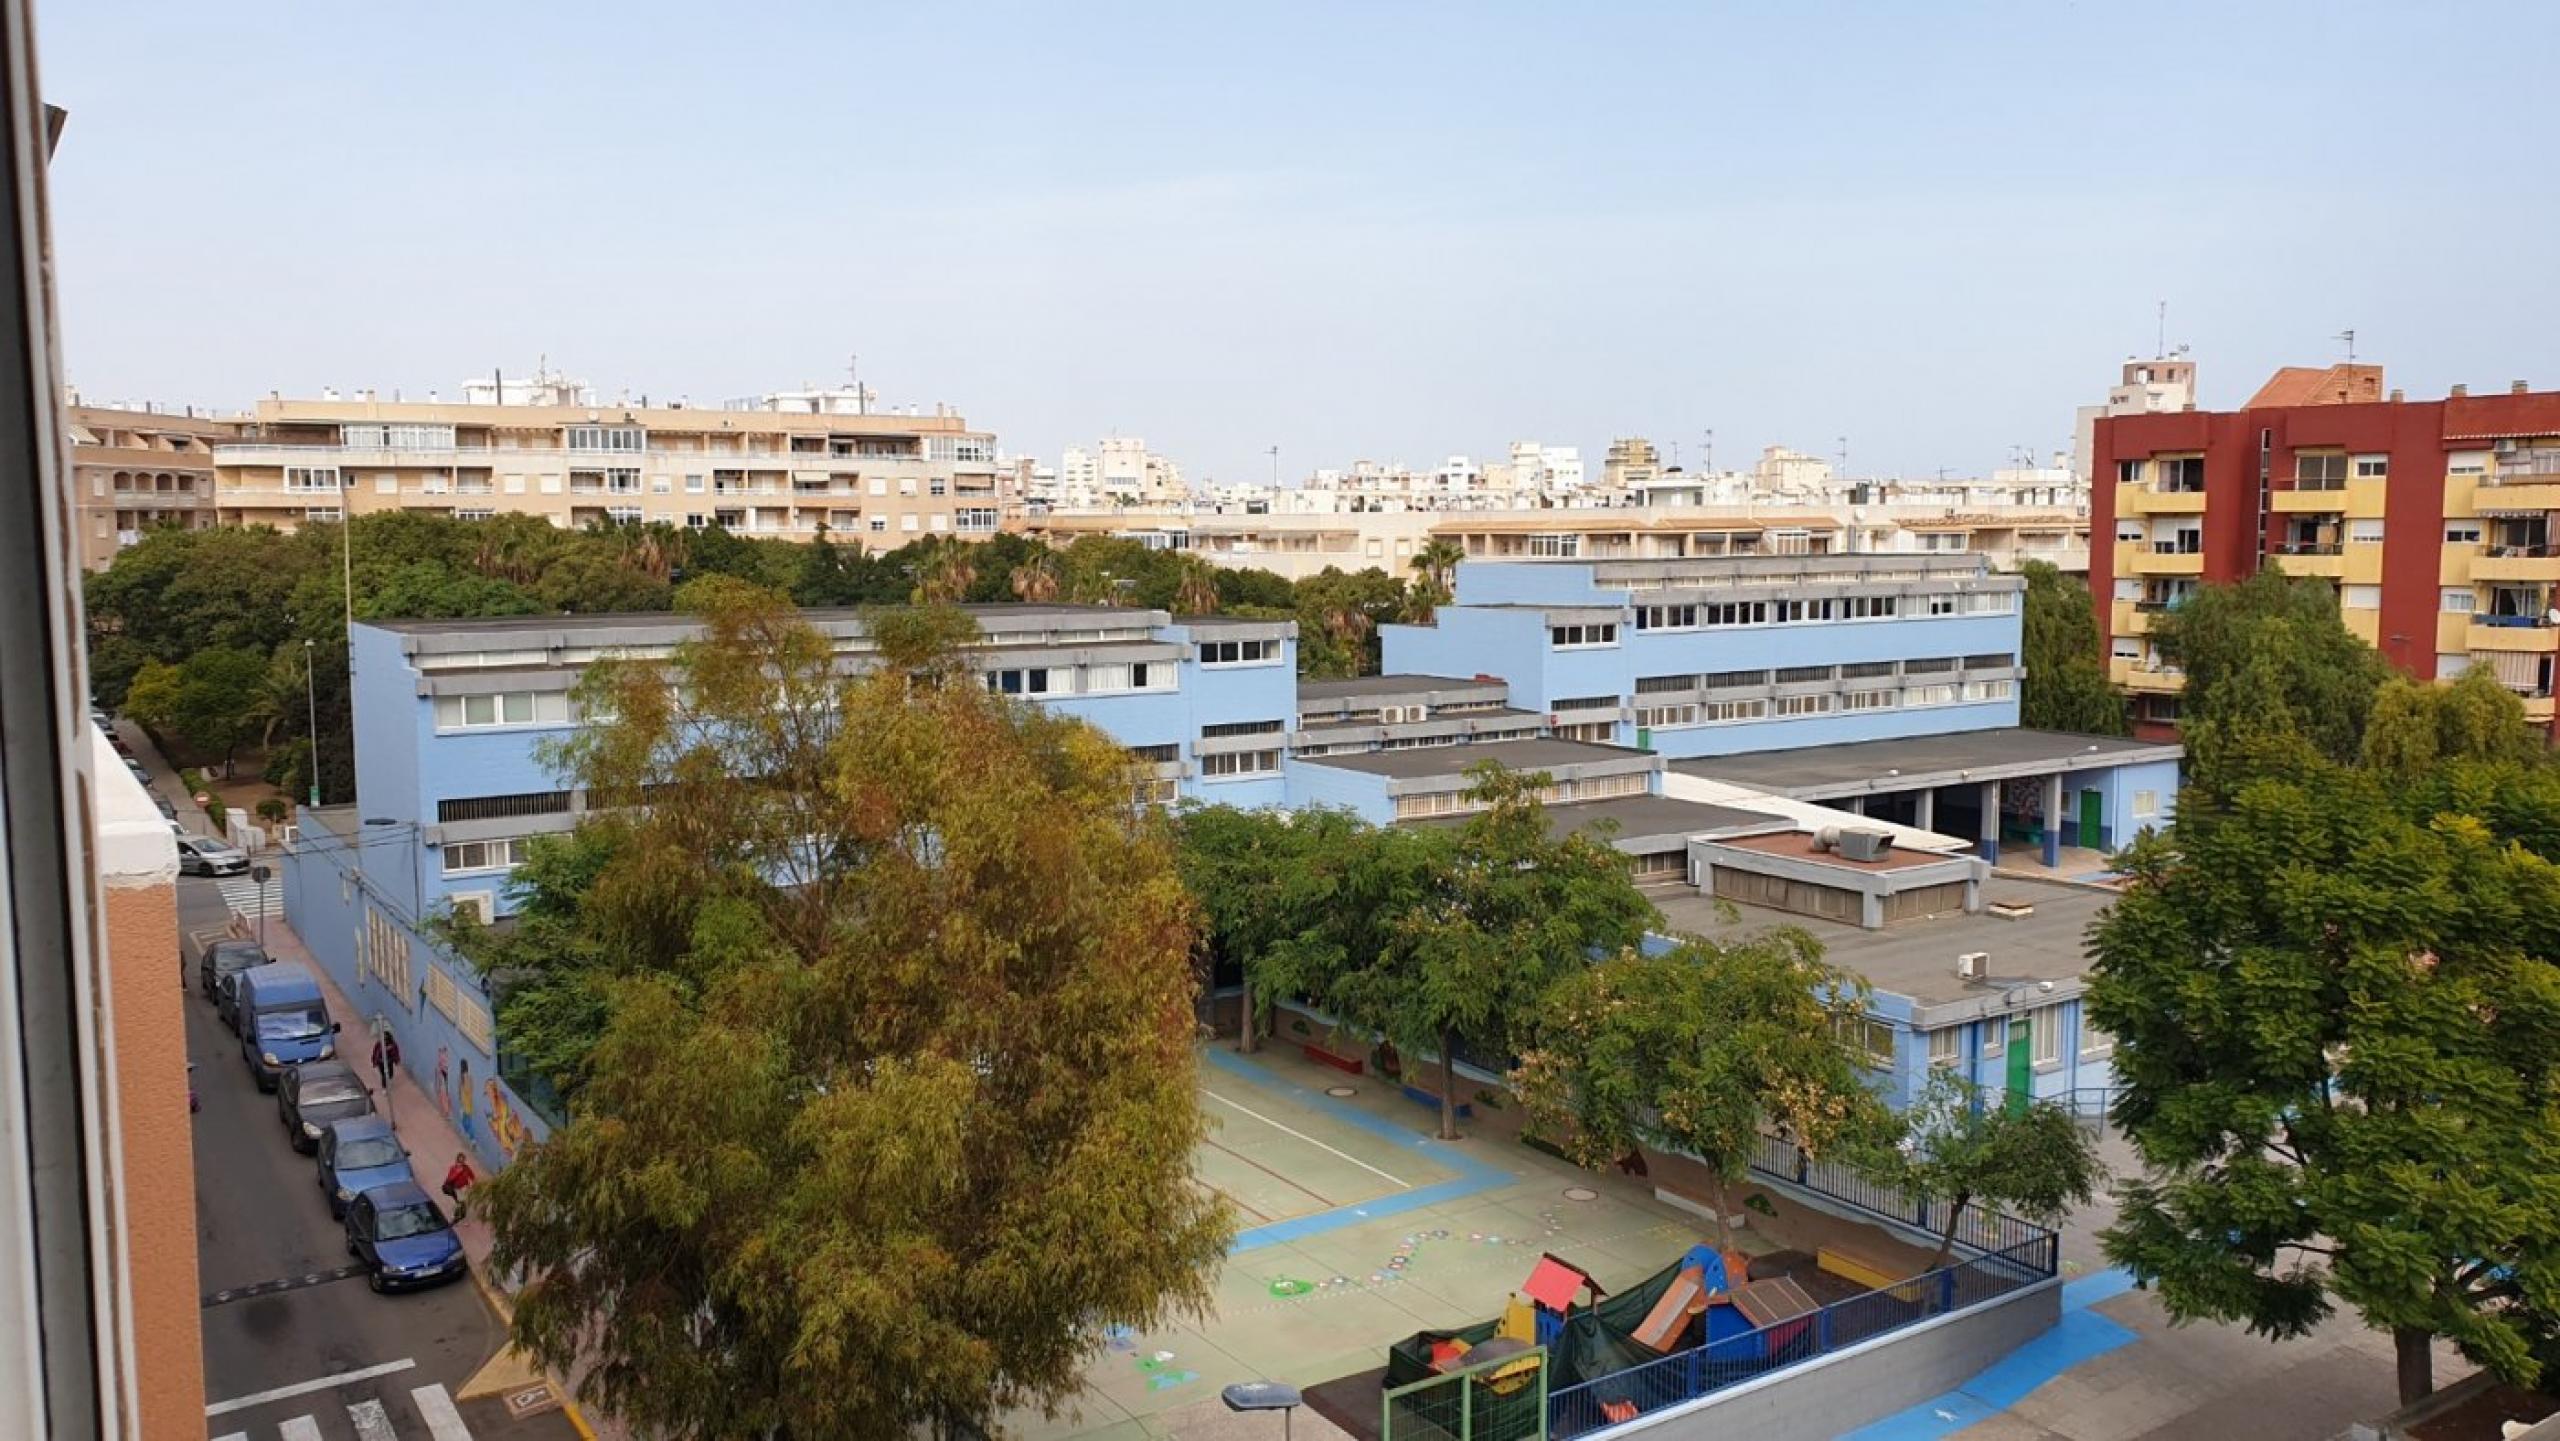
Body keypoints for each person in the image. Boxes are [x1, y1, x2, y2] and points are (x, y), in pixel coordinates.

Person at [442, 1152, 477, 1221]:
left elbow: (472, 1176)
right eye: (460, 1160)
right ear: (457, 1160)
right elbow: (449, 1179)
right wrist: (457, 1172)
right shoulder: (453, 1168)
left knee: (462, 1202)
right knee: (461, 1202)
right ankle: (456, 1216)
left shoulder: (466, 1167)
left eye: (463, 1160)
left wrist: (474, 1183)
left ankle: (459, 1215)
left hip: (465, 1188)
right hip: (456, 1188)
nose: (462, 1162)